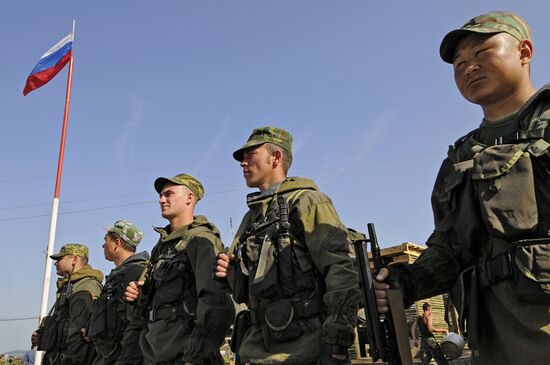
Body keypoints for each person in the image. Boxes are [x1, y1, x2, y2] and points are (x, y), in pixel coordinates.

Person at [374, 11, 550, 365]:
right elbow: (451, 247)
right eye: (459, 63)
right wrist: (406, 280)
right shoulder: (461, 156)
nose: (469, 68)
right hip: (491, 337)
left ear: (525, 52)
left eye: (482, 53)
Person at [215, 127, 361, 365]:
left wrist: (336, 341)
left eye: (250, 154)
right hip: (256, 347)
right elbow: (249, 293)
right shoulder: (250, 219)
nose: (243, 162)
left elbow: (341, 270)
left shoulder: (307, 201)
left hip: (303, 349)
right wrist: (230, 274)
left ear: (276, 157)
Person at [125, 173, 235, 365]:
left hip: (185, 355)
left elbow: (214, 302)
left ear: (189, 198)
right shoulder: (161, 246)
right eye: (160, 195)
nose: (161, 199)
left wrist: (196, 356)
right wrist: (139, 294)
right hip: (156, 353)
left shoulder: (201, 240)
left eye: (168, 194)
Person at [87, 220, 150, 365]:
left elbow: (135, 323)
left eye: (106, 240)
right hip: (109, 354)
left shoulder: (134, 272)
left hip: (122, 356)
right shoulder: (119, 273)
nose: (103, 245)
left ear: (117, 242)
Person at [32, 244, 103, 365]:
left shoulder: (87, 286)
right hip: (59, 356)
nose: (56, 264)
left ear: (74, 259)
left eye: (60, 259)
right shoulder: (70, 286)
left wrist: (71, 359)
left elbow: (79, 331)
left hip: (72, 359)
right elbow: (62, 321)